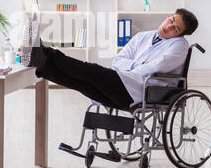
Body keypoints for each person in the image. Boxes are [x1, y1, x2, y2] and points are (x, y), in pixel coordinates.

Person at [21, 8, 198, 110]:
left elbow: (158, 66)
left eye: (175, 28)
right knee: (79, 83)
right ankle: (41, 62)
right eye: (171, 20)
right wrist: (137, 65)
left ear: (180, 34)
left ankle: (45, 51)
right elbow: (118, 60)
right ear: (168, 16)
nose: (169, 27)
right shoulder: (142, 36)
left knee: (90, 71)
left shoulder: (179, 45)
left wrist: (132, 68)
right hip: (123, 83)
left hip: (141, 92)